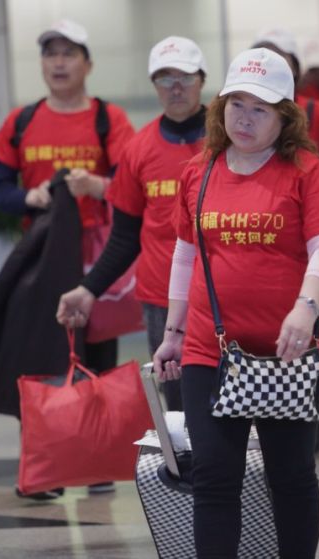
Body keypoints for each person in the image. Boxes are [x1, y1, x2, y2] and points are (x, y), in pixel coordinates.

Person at [154, 48, 319, 558]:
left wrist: (305, 308)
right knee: (215, 478)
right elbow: (184, 253)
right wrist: (173, 335)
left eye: (259, 108)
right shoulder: (199, 171)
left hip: (286, 351)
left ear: (285, 116)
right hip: (208, 350)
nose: (244, 117)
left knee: (291, 476)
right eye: (235, 103)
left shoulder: (306, 171)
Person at [0, 19, 134, 498]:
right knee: (39, 354)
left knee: (98, 356)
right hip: (42, 257)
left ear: (88, 63)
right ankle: (44, 464)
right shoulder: (21, 121)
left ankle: (98, 460)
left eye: (70, 53)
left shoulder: (108, 119)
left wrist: (100, 186)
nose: (59, 62)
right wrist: (31, 199)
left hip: (97, 254)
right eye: (51, 54)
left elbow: (133, 185)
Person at [56, 36, 208, 411]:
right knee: (178, 407)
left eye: (185, 77)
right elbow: (125, 238)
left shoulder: (231, 142)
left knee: (232, 403)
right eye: (164, 78)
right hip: (162, 299)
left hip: (225, 294)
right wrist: (88, 290)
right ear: (154, 85)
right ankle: (186, 471)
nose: (175, 88)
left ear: (202, 80)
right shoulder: (138, 150)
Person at [253, 28, 319, 158]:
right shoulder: (228, 108)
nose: (267, 63)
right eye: (261, 55)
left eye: (278, 56)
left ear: (295, 67)